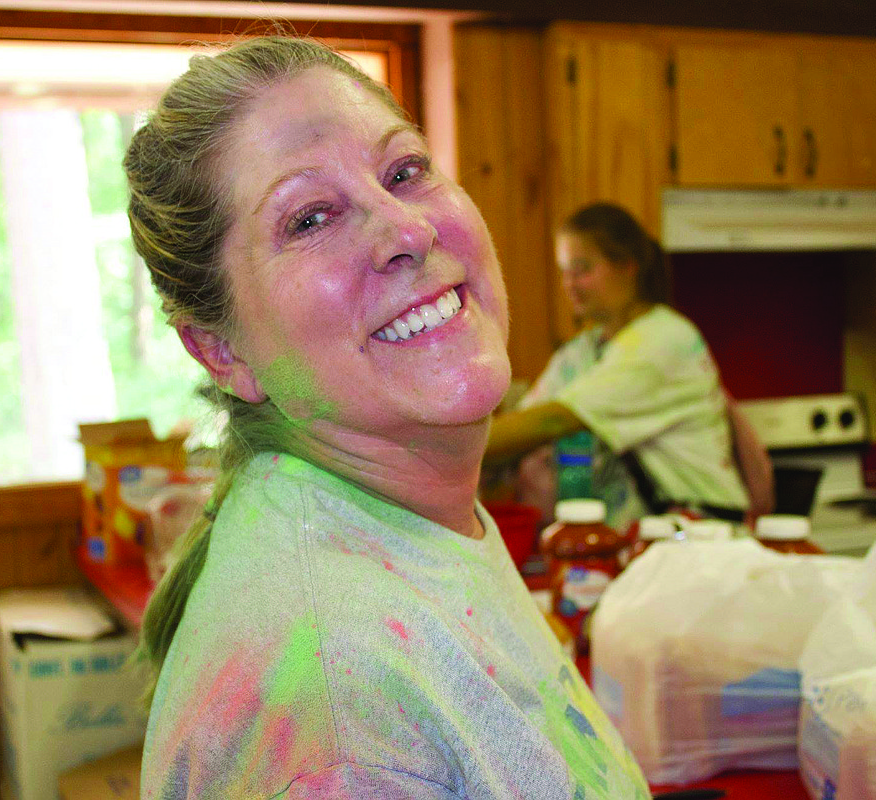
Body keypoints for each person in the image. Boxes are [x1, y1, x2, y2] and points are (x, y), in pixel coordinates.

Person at [124, 37, 651, 799]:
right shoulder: (343, 715)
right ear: (221, 350)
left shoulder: (413, 521)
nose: (408, 230)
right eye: (310, 218)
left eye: (404, 171)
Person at [486, 203, 773, 533]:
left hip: (702, 541)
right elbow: (524, 423)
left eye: (582, 269)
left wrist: (447, 447)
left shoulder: (664, 340)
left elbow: (552, 420)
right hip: (631, 545)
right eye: (564, 271)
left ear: (626, 266)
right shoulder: (580, 353)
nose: (569, 283)